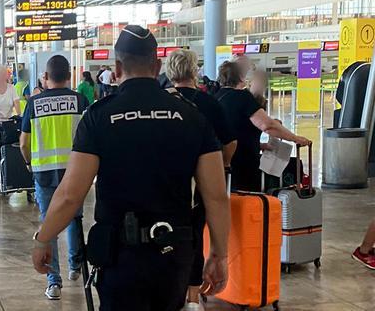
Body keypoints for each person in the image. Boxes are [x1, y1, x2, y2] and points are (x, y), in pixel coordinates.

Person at [32, 25, 231, 310]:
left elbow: (70, 195)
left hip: (119, 257)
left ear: (116, 68)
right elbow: (215, 196)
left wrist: (44, 239)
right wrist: (219, 254)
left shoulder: (99, 117)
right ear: (158, 65)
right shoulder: (192, 116)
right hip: (174, 255)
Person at [165, 49, 237, 310]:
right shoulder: (208, 103)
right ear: (194, 71)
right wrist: (221, 165)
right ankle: (193, 298)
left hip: (171, 182)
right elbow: (230, 142)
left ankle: (174, 290)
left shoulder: (163, 101)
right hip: (201, 183)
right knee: (195, 234)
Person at [20, 55, 89, 300]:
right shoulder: (80, 100)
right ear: (69, 75)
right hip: (75, 172)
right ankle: (75, 266)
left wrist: (29, 162)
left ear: (46, 77)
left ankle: (54, 281)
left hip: (44, 172)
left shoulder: (35, 103)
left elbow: (24, 142)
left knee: (48, 223)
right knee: (74, 218)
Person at [215, 61, 311, 192]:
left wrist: (260, 145)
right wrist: (295, 138)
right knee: (249, 201)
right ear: (241, 77)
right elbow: (268, 125)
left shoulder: (217, 97)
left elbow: (233, 129)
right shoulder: (242, 97)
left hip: (222, 162)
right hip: (244, 163)